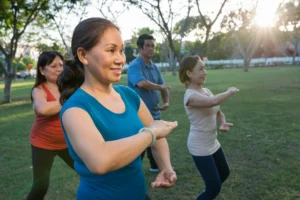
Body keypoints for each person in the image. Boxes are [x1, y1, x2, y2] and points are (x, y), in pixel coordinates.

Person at [57, 17, 178, 200]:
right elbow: (100, 161)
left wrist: (166, 167)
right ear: (83, 55)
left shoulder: (128, 95)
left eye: (121, 51)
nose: (120, 59)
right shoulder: (74, 109)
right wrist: (150, 134)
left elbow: (158, 139)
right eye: (111, 50)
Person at [178, 56, 239, 200]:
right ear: (189, 73)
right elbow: (213, 102)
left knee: (224, 173)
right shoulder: (190, 96)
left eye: (204, 68)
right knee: (214, 187)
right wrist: (229, 91)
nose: (205, 72)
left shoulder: (206, 91)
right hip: (199, 146)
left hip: (212, 142)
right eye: (200, 69)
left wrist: (222, 122)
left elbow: (218, 111)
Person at [27, 51, 74, 200]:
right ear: (42, 70)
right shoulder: (39, 90)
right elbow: (43, 109)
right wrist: (70, 100)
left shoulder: (69, 87)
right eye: (53, 66)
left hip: (67, 142)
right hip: (43, 144)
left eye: (61, 65)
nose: (59, 69)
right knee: (40, 186)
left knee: (89, 171)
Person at [127, 34, 171, 172]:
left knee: (157, 139)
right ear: (140, 48)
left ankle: (155, 166)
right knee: (140, 142)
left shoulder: (154, 67)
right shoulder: (135, 66)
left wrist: (166, 102)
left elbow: (162, 85)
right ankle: (133, 170)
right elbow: (142, 83)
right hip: (138, 113)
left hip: (154, 111)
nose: (151, 49)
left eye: (153, 46)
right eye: (148, 46)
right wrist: (160, 87)